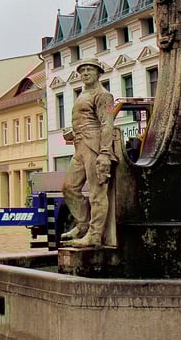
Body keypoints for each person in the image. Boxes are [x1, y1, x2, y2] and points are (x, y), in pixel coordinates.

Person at [61, 59, 117, 248]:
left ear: (98, 73)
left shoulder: (104, 95)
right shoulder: (82, 95)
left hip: (94, 146)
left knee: (97, 192)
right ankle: (83, 224)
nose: (85, 73)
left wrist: (104, 153)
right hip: (80, 145)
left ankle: (95, 235)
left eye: (89, 70)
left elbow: (107, 123)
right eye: (82, 70)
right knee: (69, 187)